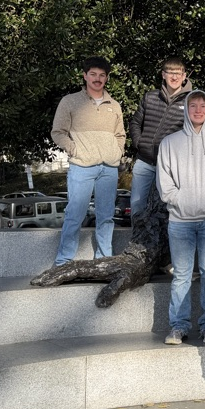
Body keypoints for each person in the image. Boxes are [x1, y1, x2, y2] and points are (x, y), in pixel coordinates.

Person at [156, 90, 205, 345]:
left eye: (203, 105)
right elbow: (164, 180)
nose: (199, 110)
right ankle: (178, 327)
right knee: (180, 275)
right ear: (187, 109)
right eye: (194, 106)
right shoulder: (170, 143)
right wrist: (178, 199)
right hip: (180, 221)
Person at [51, 56, 126, 266]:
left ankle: (104, 260)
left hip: (109, 169)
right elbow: (58, 132)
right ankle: (63, 262)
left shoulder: (115, 105)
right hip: (81, 167)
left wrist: (117, 152)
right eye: (93, 74)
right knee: (74, 214)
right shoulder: (70, 101)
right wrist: (74, 149)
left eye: (102, 75)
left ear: (107, 78)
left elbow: (120, 135)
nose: (97, 78)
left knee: (106, 217)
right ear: (85, 76)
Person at [129, 57, 192, 219]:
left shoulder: (191, 102)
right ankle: (136, 242)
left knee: (167, 209)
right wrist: (139, 143)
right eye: (170, 72)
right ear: (163, 75)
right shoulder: (150, 97)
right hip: (144, 162)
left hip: (171, 167)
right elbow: (135, 123)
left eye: (178, 73)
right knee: (137, 206)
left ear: (184, 76)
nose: (174, 77)